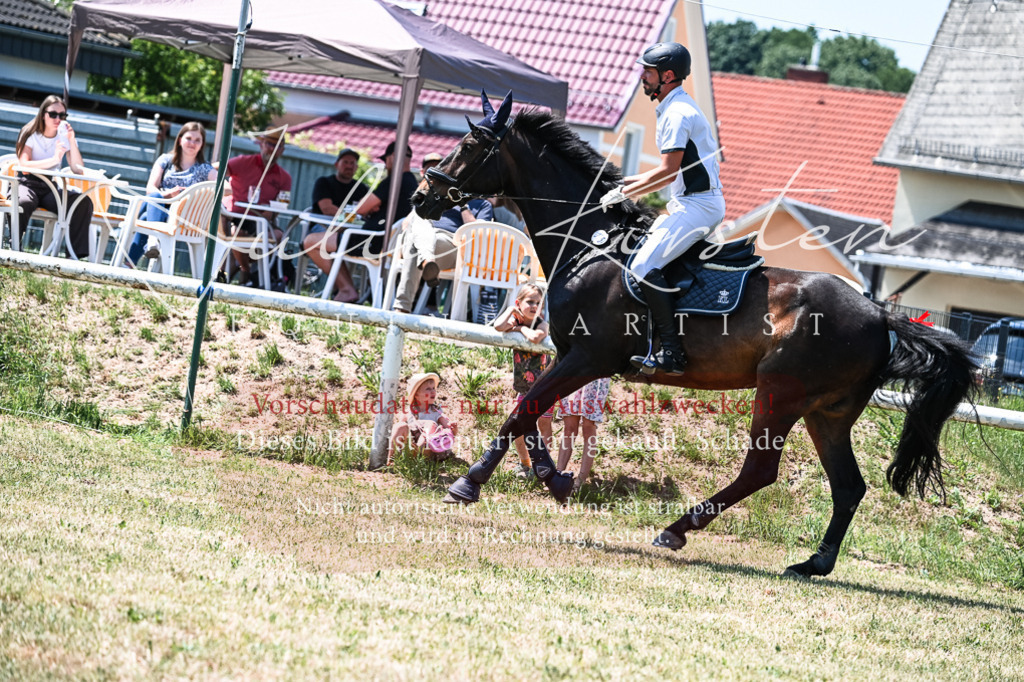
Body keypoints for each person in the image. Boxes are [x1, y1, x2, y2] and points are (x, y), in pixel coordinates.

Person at [601, 42, 725, 376]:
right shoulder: (674, 107)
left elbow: (668, 172)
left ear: (667, 76)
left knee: (641, 266)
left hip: (698, 206)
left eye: (649, 71)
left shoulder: (677, 113)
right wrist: (620, 183)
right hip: (689, 203)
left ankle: (672, 353)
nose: (643, 76)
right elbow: (664, 171)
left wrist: (624, 193)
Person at [305, 140, 418, 302]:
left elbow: (361, 209)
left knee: (311, 242)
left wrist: (367, 206)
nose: (385, 166)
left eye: (385, 161)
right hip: (386, 242)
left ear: (393, 157)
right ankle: (346, 289)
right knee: (328, 240)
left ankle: (346, 289)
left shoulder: (394, 181)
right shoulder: (411, 183)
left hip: (371, 242)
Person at [126, 121, 217, 266]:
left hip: (183, 216)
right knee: (154, 198)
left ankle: (139, 252)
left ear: (202, 144)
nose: (192, 143)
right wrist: (168, 195)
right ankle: (150, 242)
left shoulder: (204, 168)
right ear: (180, 140)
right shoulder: (165, 160)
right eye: (188, 138)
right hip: (159, 207)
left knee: (144, 216)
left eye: (197, 140)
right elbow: (151, 187)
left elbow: (227, 188)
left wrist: (191, 195)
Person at [13, 95, 93, 259]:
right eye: (53, 114)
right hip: (27, 184)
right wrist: (54, 160)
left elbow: (78, 169)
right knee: (23, 202)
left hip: (50, 187)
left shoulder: (64, 136)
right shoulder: (31, 134)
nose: (58, 119)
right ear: (43, 114)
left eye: (62, 115)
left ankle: (74, 257)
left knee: (82, 202)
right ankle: (13, 246)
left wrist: (72, 140)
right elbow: (24, 166)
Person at [493, 283, 552, 479]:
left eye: (538, 303)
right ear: (519, 303)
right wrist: (511, 310)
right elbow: (498, 326)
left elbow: (535, 337)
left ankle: (544, 464)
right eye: (530, 302)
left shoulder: (542, 324)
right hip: (523, 388)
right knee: (518, 427)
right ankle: (525, 463)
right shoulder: (514, 319)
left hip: (545, 388)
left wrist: (519, 329)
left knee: (543, 425)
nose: (535, 306)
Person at [392, 198, 493, 314]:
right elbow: (406, 224)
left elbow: (477, 236)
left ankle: (401, 309)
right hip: (422, 235)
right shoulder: (437, 194)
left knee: (416, 242)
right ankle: (427, 259)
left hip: (449, 242)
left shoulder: (483, 204)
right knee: (419, 223)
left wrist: (463, 205)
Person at [223, 127, 292, 285]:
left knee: (278, 236)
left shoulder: (284, 177)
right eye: (269, 144)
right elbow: (216, 170)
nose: (273, 149)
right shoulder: (244, 162)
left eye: (278, 145)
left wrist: (271, 212)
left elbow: (282, 205)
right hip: (235, 218)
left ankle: (247, 272)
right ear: (261, 144)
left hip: (263, 221)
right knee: (237, 231)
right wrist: (225, 191)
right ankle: (247, 272)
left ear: (283, 150)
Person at [388, 372, 457, 465]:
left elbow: (448, 430)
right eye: (428, 389)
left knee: (430, 424)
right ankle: (391, 458)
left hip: (429, 449)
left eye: (433, 388)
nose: (433, 391)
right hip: (412, 446)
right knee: (399, 426)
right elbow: (399, 433)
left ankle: (417, 454)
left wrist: (453, 429)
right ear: (416, 394)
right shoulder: (408, 411)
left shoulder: (436, 410)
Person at [556, 378, 611, 492]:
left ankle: (580, 480)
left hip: (596, 374)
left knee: (588, 428)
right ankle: (558, 476)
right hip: (573, 372)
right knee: (569, 429)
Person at [310, 147, 369, 217]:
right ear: (336, 165)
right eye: (345, 162)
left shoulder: (361, 188)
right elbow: (327, 209)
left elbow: (366, 210)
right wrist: (350, 217)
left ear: (356, 167)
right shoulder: (324, 182)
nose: (349, 166)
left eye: (352, 163)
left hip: (350, 226)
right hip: (323, 224)